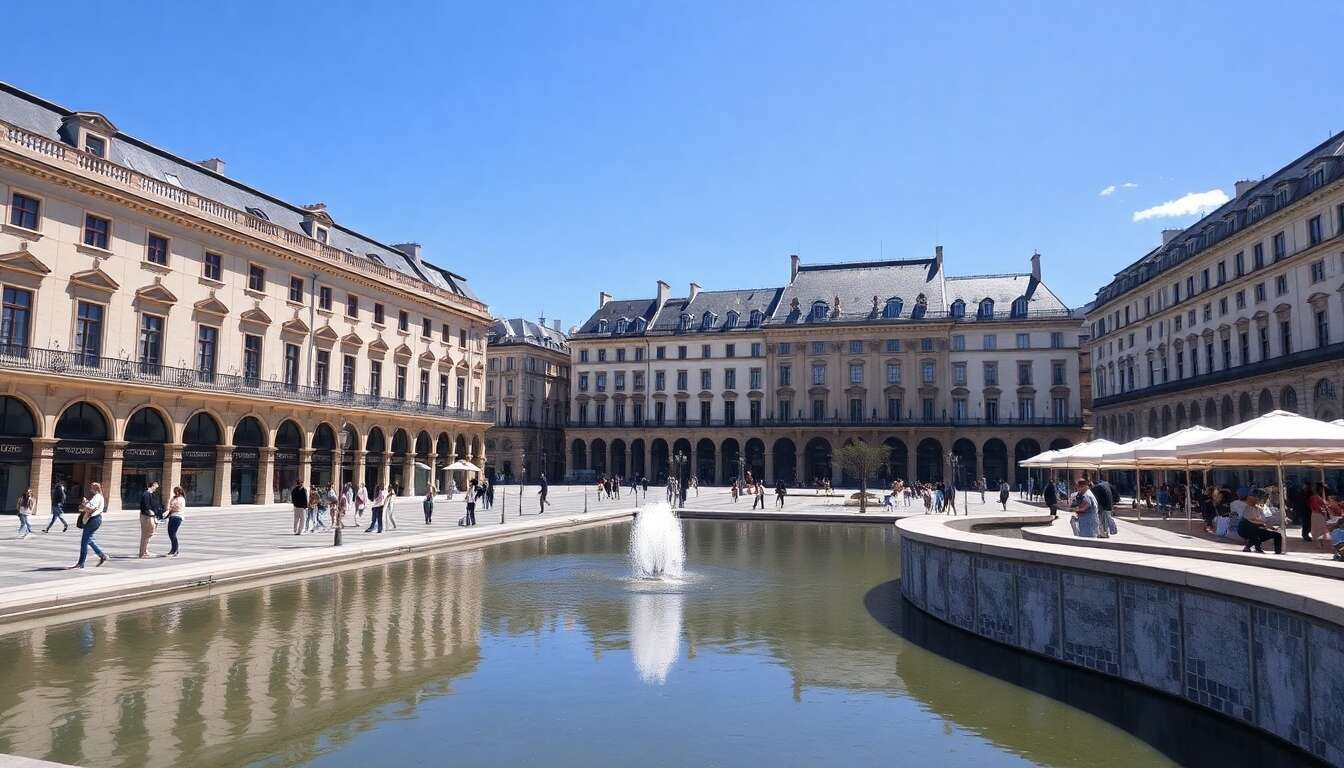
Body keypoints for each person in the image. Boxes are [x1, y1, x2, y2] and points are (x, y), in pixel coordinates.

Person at [73, 482, 107, 568]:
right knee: (89, 540)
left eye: (91, 488)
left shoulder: (97, 497)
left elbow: (91, 508)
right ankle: (102, 555)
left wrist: (84, 505)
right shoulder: (100, 497)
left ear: (95, 488)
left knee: (84, 542)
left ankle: (81, 563)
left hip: (93, 520)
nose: (90, 489)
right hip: (96, 520)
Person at [138, 481, 163, 558]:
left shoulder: (151, 494)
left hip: (150, 516)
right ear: (153, 485)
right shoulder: (146, 494)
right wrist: (151, 513)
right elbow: (146, 507)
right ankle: (142, 553)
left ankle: (145, 551)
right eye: (156, 486)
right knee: (145, 535)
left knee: (149, 534)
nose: (157, 488)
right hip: (147, 517)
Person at [166, 485, 186, 557]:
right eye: (174, 491)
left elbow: (178, 508)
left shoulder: (181, 499)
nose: (174, 493)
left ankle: (175, 550)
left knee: (173, 533)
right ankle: (173, 549)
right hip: (172, 516)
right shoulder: (174, 498)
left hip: (177, 517)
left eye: (176, 491)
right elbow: (170, 506)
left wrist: (172, 507)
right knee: (170, 533)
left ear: (179, 491)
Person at [1310, 482, 1328, 550]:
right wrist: (1323, 510)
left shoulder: (1315, 497)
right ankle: (1319, 544)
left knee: (1318, 529)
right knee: (1319, 529)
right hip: (1318, 514)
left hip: (1316, 514)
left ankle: (1319, 543)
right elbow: (1317, 507)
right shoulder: (1315, 497)